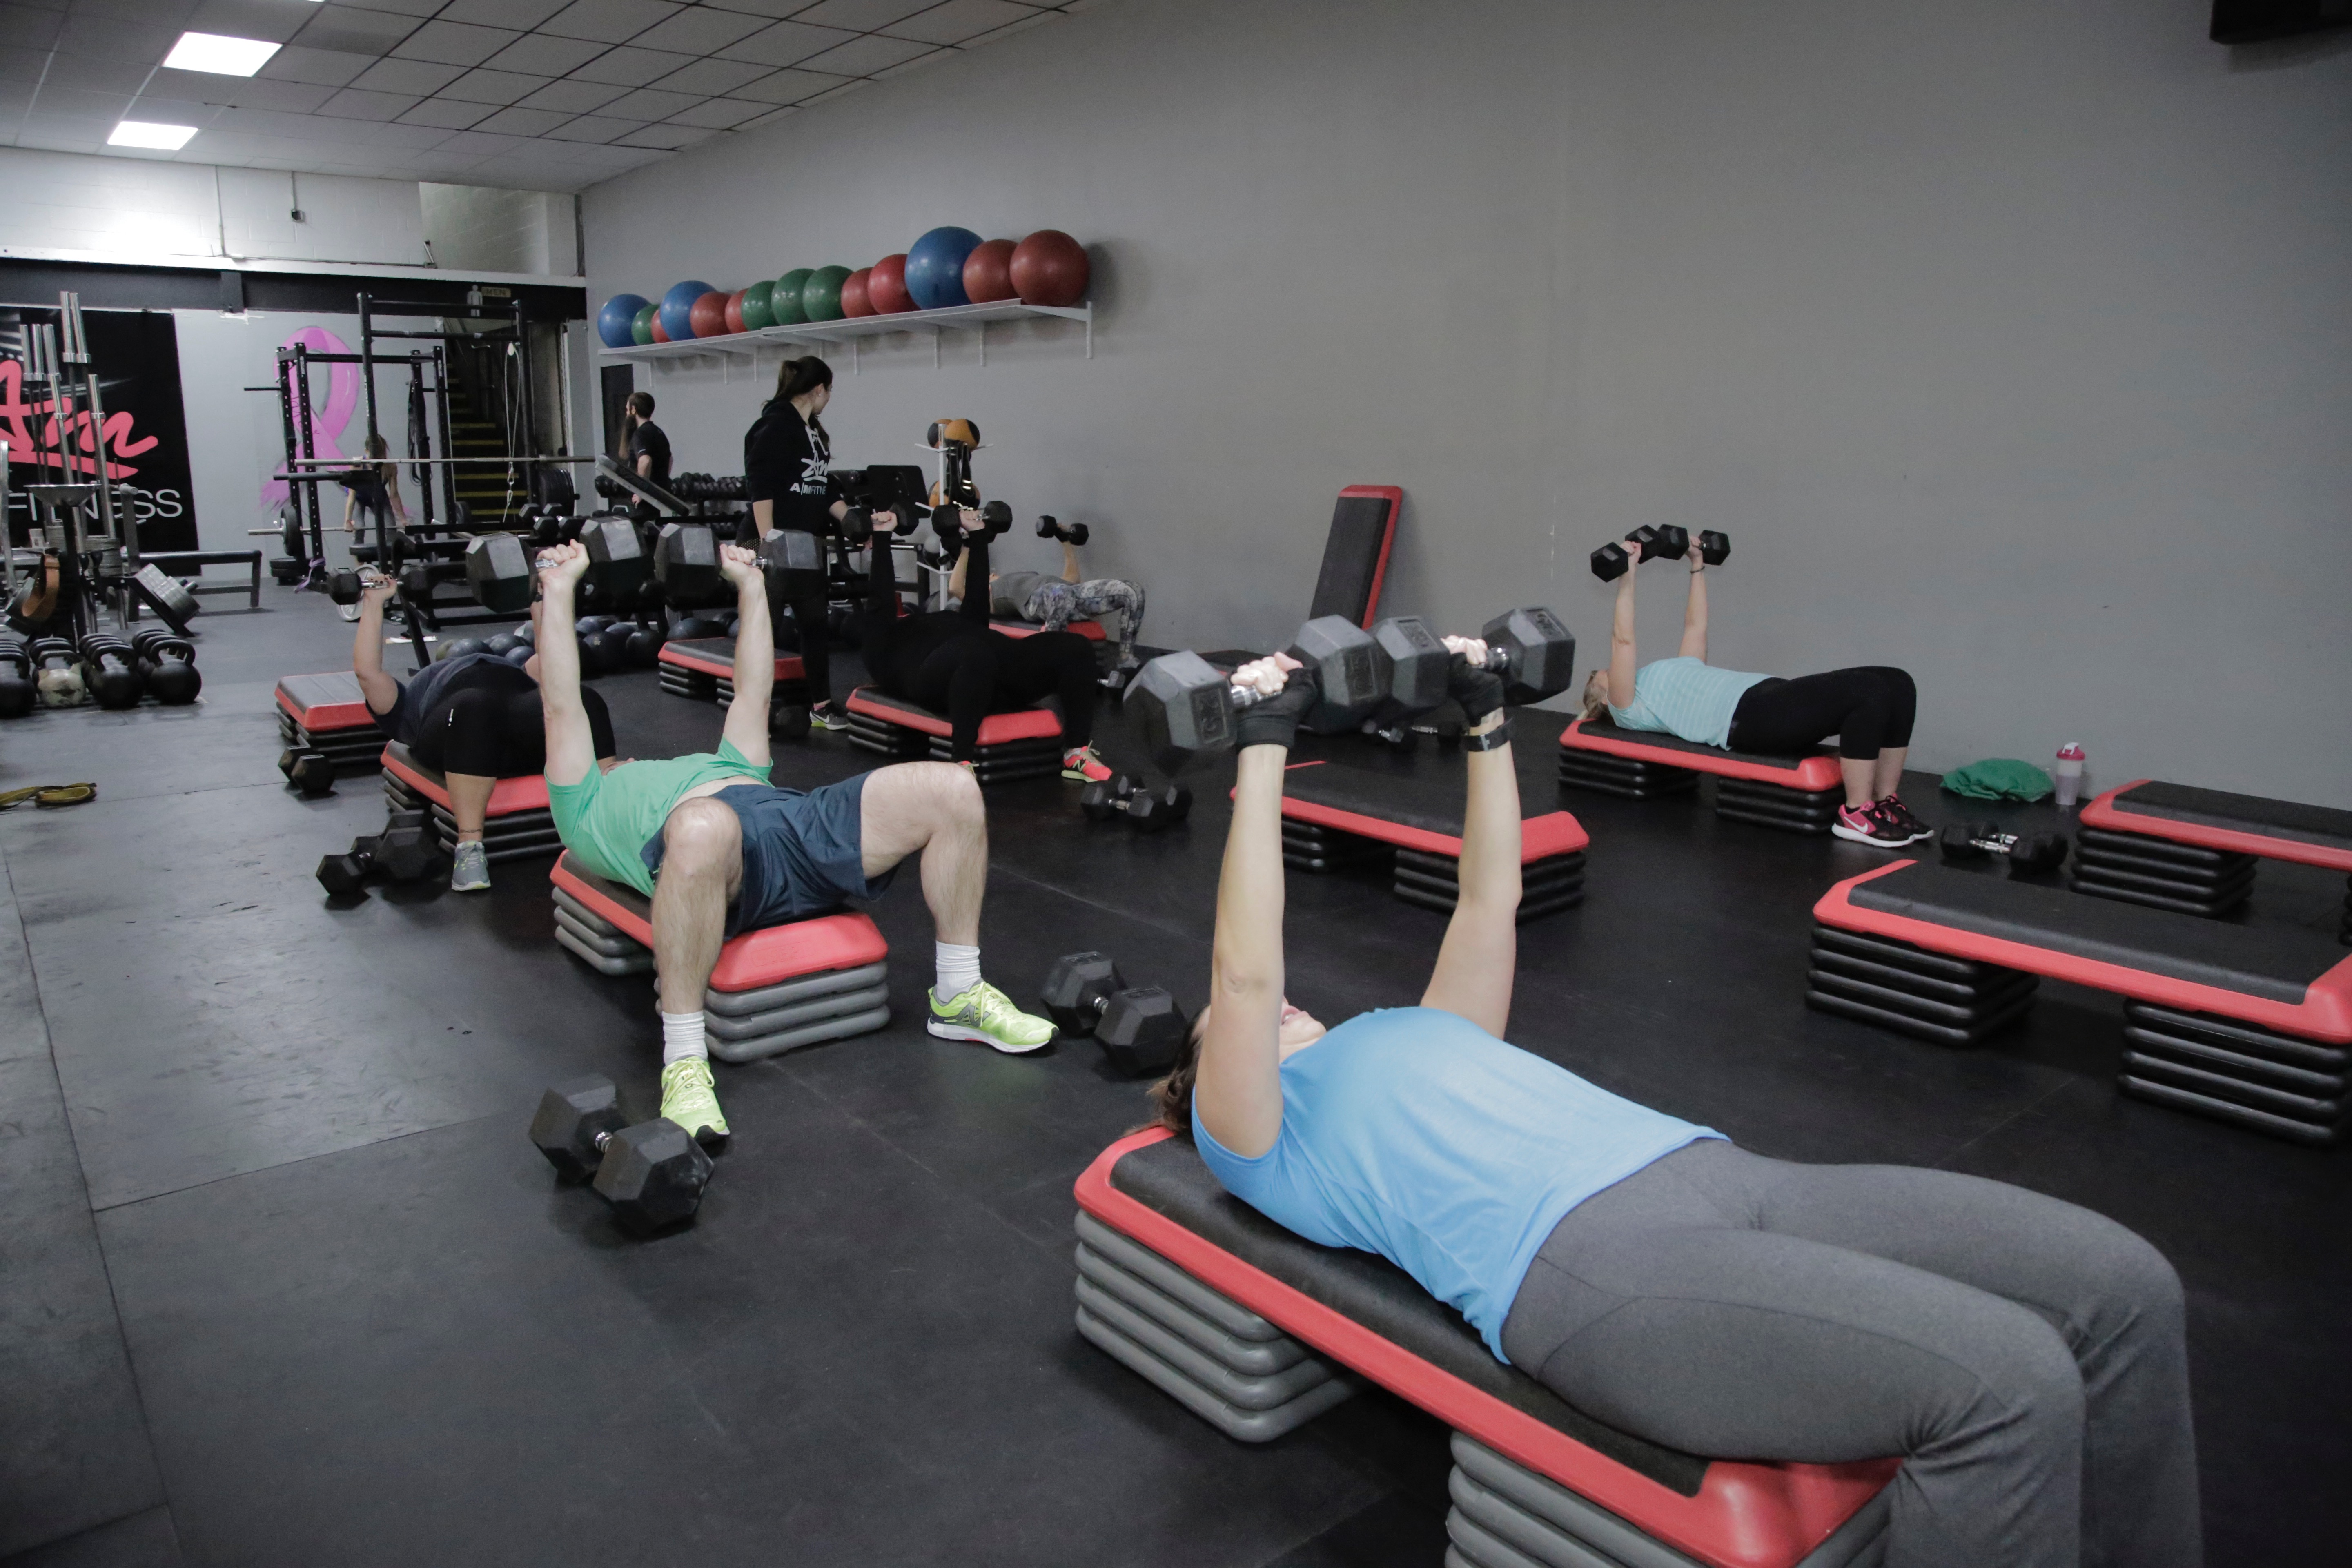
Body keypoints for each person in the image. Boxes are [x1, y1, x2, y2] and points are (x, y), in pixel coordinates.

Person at [1150, 650, 2198, 1568]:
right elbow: (1242, 973)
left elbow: (1487, 896)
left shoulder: (1411, 1024)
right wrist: (1262, 751)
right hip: (1592, 1269)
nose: (1275, 1008)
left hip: (1732, 1177)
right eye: (1231, 1030)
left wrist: (1485, 723)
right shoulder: (1253, 1136)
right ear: (1211, 1076)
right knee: (2005, 1384)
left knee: (2121, 1282)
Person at [536, 537, 1057, 1147]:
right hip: (717, 857)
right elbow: (562, 703)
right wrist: (561, 589)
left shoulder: (720, 760)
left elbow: (754, 690)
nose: (622, 758)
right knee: (703, 824)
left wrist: (753, 586)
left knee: (952, 788)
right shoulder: (584, 804)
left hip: (800, 829)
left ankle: (959, 993)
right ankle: (683, 1060)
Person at [1577, 539, 1928, 846]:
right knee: (1868, 692)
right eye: (1605, 676)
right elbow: (1623, 640)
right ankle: (1856, 814)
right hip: (1748, 719)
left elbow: (1695, 625)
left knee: (1898, 682)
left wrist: (1697, 566)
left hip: (1766, 696)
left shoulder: (1674, 673)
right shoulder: (1627, 706)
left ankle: (1885, 802)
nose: (1610, 670)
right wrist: (1628, 574)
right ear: (1605, 701)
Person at [350, 570, 614, 893]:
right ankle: (470, 849)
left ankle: (609, 823)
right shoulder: (406, 704)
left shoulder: (513, 669)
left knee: (584, 698)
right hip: (458, 734)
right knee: (476, 706)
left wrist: (541, 597)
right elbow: (368, 672)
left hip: (519, 723)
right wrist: (374, 601)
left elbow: (551, 662)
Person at [862, 505, 1110, 781]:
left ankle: (1075, 752)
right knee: (973, 653)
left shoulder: (943, 620)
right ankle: (961, 764)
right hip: (943, 681)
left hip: (999, 675)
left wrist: (978, 536)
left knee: (1076, 647)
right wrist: (882, 537)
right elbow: (881, 598)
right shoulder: (881, 642)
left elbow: (977, 602)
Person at [744, 356, 848, 731]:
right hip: (767, 542)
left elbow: (822, 486)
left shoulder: (813, 432)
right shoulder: (775, 425)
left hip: (803, 547)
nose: (829, 398)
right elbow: (760, 483)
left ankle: (821, 705)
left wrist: (850, 518)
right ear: (818, 389)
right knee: (763, 631)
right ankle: (754, 710)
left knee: (815, 624)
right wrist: (768, 543)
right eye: (830, 391)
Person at [948, 525, 1147, 687]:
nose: (992, 574)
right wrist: (968, 546)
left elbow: (1072, 579)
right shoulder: (989, 593)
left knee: (1132, 591)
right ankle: (1051, 665)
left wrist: (1065, 541)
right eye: (989, 575)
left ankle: (1126, 659)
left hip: (1069, 594)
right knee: (1060, 594)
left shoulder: (1032, 577)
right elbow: (955, 587)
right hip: (1038, 602)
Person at [336, 434, 408, 621]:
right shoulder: (358, 465)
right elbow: (352, 496)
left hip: (379, 497)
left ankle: (393, 575)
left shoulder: (390, 466)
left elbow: (393, 495)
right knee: (359, 530)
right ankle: (362, 576)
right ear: (367, 451)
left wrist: (403, 519)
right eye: (374, 452)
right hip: (360, 498)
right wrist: (347, 521)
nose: (377, 455)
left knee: (391, 531)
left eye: (381, 452)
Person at [619, 392, 670, 521]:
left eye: (627, 409)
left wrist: (642, 492)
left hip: (645, 504)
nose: (627, 413)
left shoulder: (640, 434)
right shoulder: (658, 432)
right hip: (659, 497)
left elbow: (645, 461)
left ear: (634, 410)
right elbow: (670, 459)